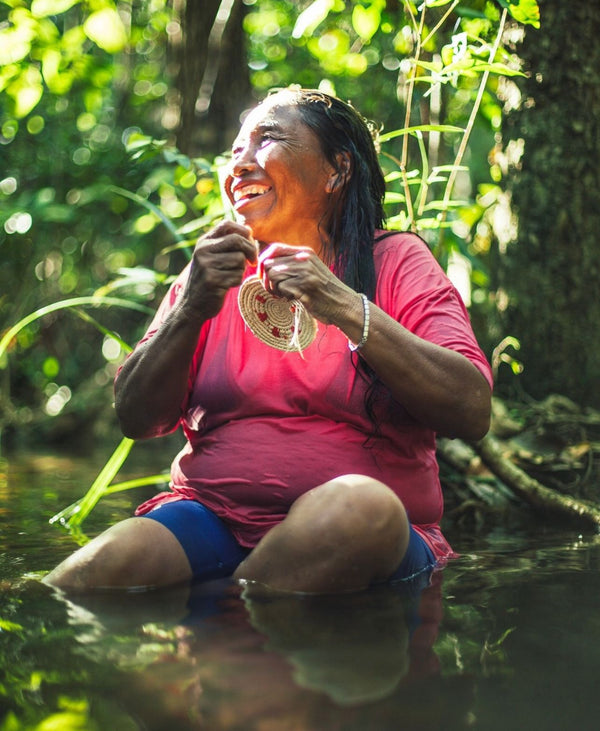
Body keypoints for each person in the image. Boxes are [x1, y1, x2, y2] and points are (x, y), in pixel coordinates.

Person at [44, 87, 492, 594]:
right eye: (235, 151)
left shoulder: (395, 259)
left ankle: (232, 625)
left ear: (336, 171)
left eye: (267, 140)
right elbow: (136, 417)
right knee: (103, 568)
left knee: (358, 507)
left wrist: (343, 304)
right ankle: (250, 612)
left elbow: (471, 409)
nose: (240, 164)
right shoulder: (210, 275)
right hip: (212, 519)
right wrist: (192, 305)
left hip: (366, 534)